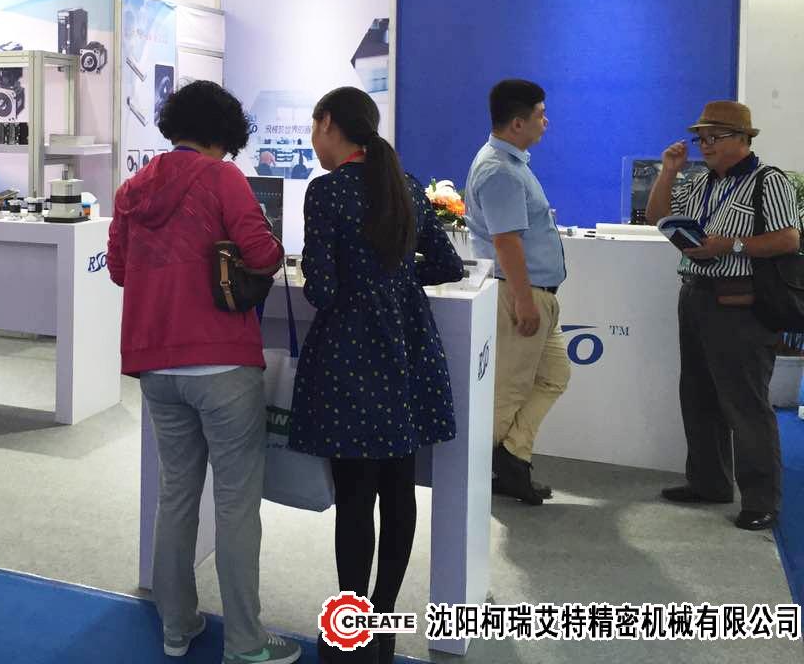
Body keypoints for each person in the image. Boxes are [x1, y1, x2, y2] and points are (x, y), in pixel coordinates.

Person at [107, 80, 299, 664]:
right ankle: (244, 642)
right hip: (221, 362)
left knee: (176, 496)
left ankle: (176, 626)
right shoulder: (223, 178)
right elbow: (263, 254)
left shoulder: (133, 188)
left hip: (155, 363)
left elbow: (119, 270)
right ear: (225, 132)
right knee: (237, 505)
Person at [288, 87, 463, 664]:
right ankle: (383, 627)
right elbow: (446, 263)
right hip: (407, 349)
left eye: (314, 127)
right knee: (398, 490)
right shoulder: (404, 184)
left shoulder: (327, 191)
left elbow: (322, 289)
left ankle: (351, 628)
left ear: (328, 124)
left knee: (355, 498)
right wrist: (396, 279)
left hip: (350, 354)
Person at [644, 101, 800, 532]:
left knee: (745, 403)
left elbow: (788, 239)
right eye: (701, 138)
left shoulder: (769, 181)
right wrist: (669, 171)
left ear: (744, 139)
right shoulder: (702, 182)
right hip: (696, 295)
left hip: (741, 303)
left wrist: (729, 245)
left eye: (714, 137)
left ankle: (761, 499)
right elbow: (657, 216)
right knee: (698, 395)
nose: (705, 145)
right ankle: (709, 481)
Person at [463, 79, 567, 506]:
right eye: (541, 115)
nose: (547, 122)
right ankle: (475, 479)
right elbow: (507, 243)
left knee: (555, 375)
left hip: (534, 294)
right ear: (518, 123)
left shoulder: (511, 164)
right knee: (506, 393)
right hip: (519, 295)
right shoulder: (500, 171)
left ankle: (512, 457)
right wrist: (524, 302)